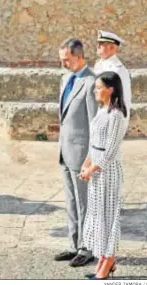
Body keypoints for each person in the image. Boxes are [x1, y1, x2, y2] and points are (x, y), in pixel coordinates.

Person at [78, 71, 127, 280]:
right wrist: (85, 164)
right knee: (98, 217)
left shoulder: (116, 115)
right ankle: (104, 259)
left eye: (99, 87)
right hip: (96, 172)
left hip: (108, 174)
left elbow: (109, 151)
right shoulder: (101, 111)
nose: (95, 90)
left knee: (109, 218)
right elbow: (94, 144)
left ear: (111, 89)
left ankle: (108, 261)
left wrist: (92, 169)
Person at [55, 38, 98, 267]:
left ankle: (87, 248)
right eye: (62, 60)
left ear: (79, 57)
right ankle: (74, 245)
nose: (63, 64)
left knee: (84, 204)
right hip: (65, 151)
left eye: (67, 60)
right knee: (71, 202)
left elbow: (94, 124)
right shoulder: (66, 79)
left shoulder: (91, 82)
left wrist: (91, 158)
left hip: (82, 154)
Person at [94, 30, 132, 124]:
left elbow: (124, 99)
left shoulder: (118, 70)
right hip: (98, 115)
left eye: (101, 44)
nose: (98, 46)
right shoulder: (99, 64)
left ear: (112, 48)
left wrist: (119, 123)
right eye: (98, 43)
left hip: (110, 119)